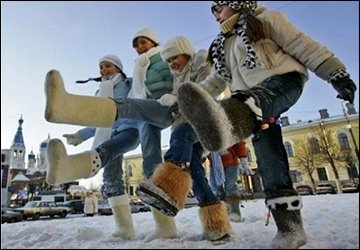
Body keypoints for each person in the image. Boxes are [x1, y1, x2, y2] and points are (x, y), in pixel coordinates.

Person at [175, 1, 357, 249]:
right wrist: (190, 100)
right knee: (267, 153)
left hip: (282, 83)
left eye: (220, 8)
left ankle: (224, 125)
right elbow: (216, 81)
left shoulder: (266, 19)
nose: (217, 15)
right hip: (250, 105)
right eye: (214, 11)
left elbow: (302, 45)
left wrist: (337, 75)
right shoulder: (222, 45)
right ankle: (290, 228)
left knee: (249, 104)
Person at [45, 27, 176, 241]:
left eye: (107, 65)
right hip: (108, 133)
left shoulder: (128, 83)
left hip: (131, 130)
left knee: (110, 150)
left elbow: (143, 91)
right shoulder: (99, 92)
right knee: (111, 177)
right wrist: (80, 135)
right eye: (101, 67)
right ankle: (125, 228)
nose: (103, 70)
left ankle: (164, 225)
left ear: (118, 67)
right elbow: (98, 120)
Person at [136, 36, 231, 241]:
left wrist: (178, 98)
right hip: (184, 121)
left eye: (174, 58)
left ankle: (166, 187)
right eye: (168, 61)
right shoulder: (176, 77)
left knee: (180, 136)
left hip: (203, 119)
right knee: (196, 172)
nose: (172, 64)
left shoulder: (201, 64)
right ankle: (217, 226)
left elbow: (208, 89)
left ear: (186, 53)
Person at [207, 140, 254, 222]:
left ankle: (234, 212)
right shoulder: (206, 130)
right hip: (214, 163)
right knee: (215, 189)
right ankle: (220, 213)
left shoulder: (229, 128)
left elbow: (239, 141)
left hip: (231, 162)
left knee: (230, 186)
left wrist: (242, 158)